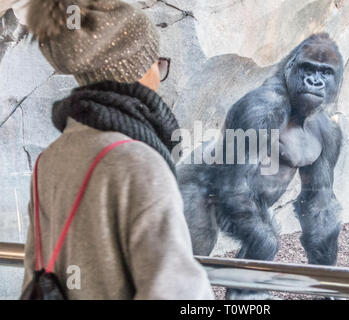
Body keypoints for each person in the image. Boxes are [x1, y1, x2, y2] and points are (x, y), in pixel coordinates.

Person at [21, 0, 214, 300]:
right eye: (156, 62)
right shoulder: (139, 163)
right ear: (136, 69)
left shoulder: (50, 159)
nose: (158, 75)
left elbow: (35, 272)